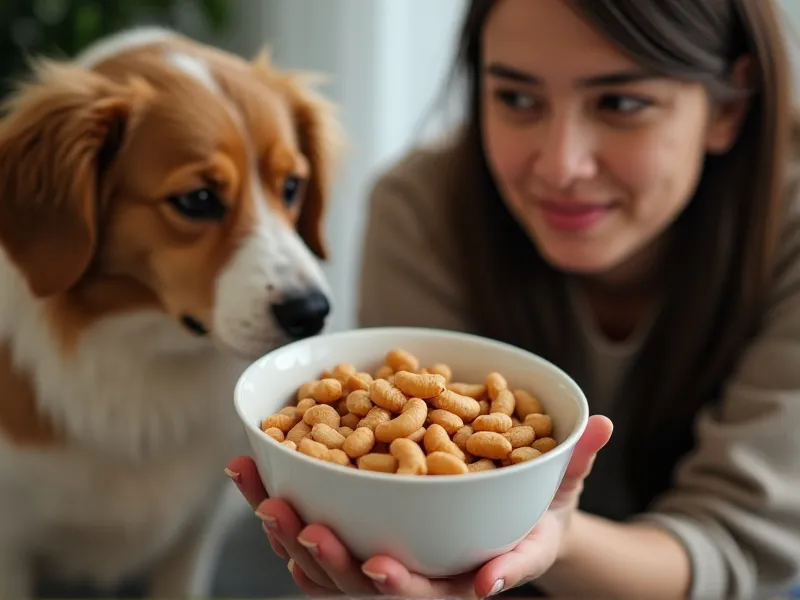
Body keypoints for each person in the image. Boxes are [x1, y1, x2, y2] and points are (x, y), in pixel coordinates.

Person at [226, 0, 800, 597]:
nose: (560, 166)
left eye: (621, 102)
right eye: (518, 99)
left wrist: (558, 538)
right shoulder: (422, 207)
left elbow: (740, 549)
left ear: (729, 106)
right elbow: (412, 511)